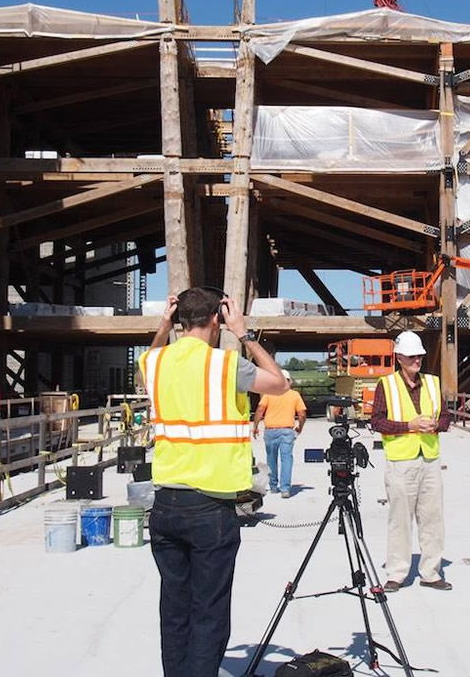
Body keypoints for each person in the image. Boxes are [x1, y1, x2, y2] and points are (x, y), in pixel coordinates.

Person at [138, 287, 287, 677]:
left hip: (165, 506)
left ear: (177, 320)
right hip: (210, 509)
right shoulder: (225, 365)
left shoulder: (155, 363)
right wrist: (245, 333)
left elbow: (149, 358)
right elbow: (279, 383)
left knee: (174, 608)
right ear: (217, 319)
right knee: (209, 611)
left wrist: (161, 325)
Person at [370, 330, 452, 593]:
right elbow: (377, 421)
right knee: (400, 520)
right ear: (399, 358)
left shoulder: (433, 383)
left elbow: (447, 418)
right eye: (412, 356)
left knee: (432, 519)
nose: (417, 360)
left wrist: (435, 425)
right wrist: (410, 425)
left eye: (419, 356)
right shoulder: (387, 385)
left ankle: (431, 572)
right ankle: (397, 573)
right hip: (401, 461)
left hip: (429, 460)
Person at [252, 369, 307, 498]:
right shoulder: (294, 395)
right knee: (287, 459)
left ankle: (273, 486)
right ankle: (285, 489)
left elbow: (260, 410)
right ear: (289, 381)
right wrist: (300, 427)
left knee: (271, 459)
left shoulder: (269, 394)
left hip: (270, 431)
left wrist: (255, 426)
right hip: (287, 431)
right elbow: (302, 414)